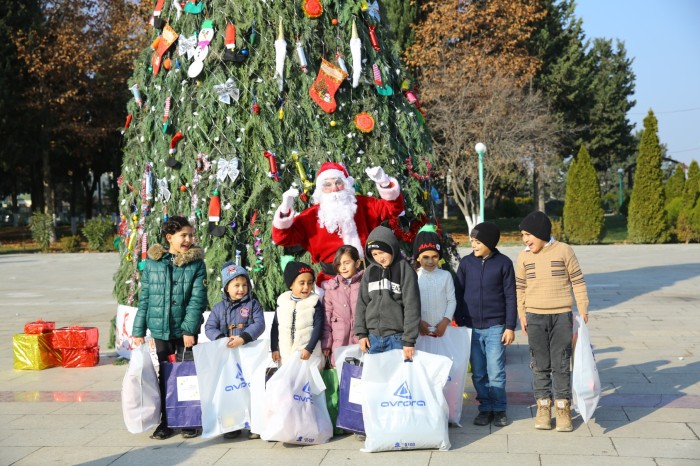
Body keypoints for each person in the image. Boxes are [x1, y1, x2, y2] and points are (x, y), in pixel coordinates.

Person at [132, 216, 208, 440]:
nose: (188, 240)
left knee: (186, 377)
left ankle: (189, 419)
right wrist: (138, 331)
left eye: (190, 235)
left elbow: (197, 301)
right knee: (164, 376)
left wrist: (188, 330)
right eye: (183, 235)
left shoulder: (196, 264)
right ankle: (166, 421)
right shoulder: (154, 263)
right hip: (160, 330)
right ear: (169, 237)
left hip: (184, 332)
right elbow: (144, 299)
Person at [516, 211, 589, 432]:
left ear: (541, 233)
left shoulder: (564, 250)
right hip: (535, 316)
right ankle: (543, 407)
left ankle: (563, 408)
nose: (525, 240)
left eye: (528, 234)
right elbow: (520, 288)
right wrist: (522, 314)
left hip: (562, 316)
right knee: (539, 364)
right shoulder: (524, 257)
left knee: (560, 363)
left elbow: (578, 281)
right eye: (522, 235)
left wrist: (583, 309)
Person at [271, 162, 404, 279]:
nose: (334, 188)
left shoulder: (364, 205)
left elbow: (394, 209)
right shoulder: (310, 216)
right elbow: (282, 239)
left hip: (370, 275)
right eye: (327, 184)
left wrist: (384, 183)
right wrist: (284, 209)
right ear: (320, 189)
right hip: (333, 282)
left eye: (338, 183)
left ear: (346, 184)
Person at [454, 222, 516, 427]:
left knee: (496, 370)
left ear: (489, 242)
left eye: (478, 241)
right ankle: (485, 408)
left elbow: (510, 296)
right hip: (471, 327)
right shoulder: (466, 264)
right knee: (479, 371)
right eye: (472, 240)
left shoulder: (504, 263)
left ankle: (499, 409)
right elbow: (458, 293)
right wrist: (460, 321)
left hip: (496, 327)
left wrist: (509, 326)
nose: (473, 244)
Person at [205, 262, 265, 440]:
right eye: (236, 285)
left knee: (250, 388)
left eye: (244, 285)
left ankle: (256, 423)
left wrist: (243, 337)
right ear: (226, 287)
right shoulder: (219, 308)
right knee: (230, 389)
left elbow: (259, 324)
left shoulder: (253, 304)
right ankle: (232, 423)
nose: (241, 289)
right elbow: (209, 327)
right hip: (227, 356)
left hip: (248, 353)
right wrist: (221, 339)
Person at [355, 225, 421, 362]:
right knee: (376, 379)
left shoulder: (405, 270)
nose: (380, 258)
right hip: (372, 338)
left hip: (396, 338)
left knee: (397, 379)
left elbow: (412, 306)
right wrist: (362, 334)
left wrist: (409, 340)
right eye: (375, 254)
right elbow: (362, 303)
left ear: (391, 248)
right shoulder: (369, 272)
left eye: (382, 252)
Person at [270, 261, 324, 365]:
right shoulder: (283, 302)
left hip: (307, 355)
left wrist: (309, 348)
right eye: (302, 283)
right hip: (286, 354)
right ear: (291, 285)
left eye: (310, 283)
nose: (306, 287)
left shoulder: (314, 302)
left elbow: (319, 326)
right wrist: (274, 348)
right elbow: (275, 326)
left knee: (307, 380)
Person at [321, 245, 364, 366]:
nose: (343, 268)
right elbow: (326, 319)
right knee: (342, 379)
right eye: (339, 264)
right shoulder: (332, 288)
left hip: (360, 342)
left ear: (357, 263)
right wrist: (326, 344)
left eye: (347, 263)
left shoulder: (364, 284)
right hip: (339, 343)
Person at [413, 226, 456, 339]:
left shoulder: (446, 276)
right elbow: (409, 304)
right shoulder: (413, 277)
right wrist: (418, 322)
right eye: (425, 257)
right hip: (421, 332)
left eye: (435, 257)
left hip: (443, 330)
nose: (430, 261)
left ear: (439, 256)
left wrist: (445, 322)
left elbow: (451, 301)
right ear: (418, 257)